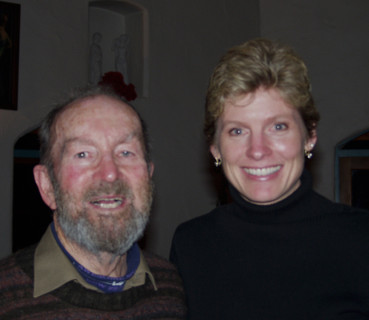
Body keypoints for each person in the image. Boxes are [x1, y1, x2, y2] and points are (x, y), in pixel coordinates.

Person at [170, 38, 369, 319]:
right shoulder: (191, 245)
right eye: (237, 131)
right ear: (215, 147)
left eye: (278, 126)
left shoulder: (360, 240)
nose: (258, 150)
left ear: (309, 137)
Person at [0, 85, 186, 319]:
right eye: (83, 154)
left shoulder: (171, 286)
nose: (109, 173)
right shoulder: (5, 299)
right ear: (47, 185)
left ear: (149, 177)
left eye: (126, 152)